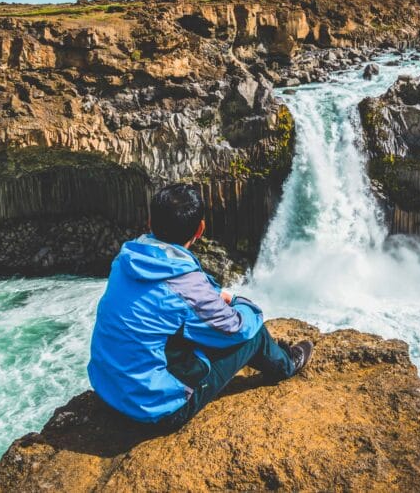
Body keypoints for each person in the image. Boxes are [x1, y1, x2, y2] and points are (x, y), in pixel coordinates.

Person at [88, 183, 313, 428]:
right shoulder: (185, 287)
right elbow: (239, 327)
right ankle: (287, 365)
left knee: (188, 330)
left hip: (106, 389)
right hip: (154, 410)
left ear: (150, 221)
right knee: (254, 335)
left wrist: (212, 298)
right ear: (200, 229)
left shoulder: (125, 258)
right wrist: (239, 302)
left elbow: (173, 303)